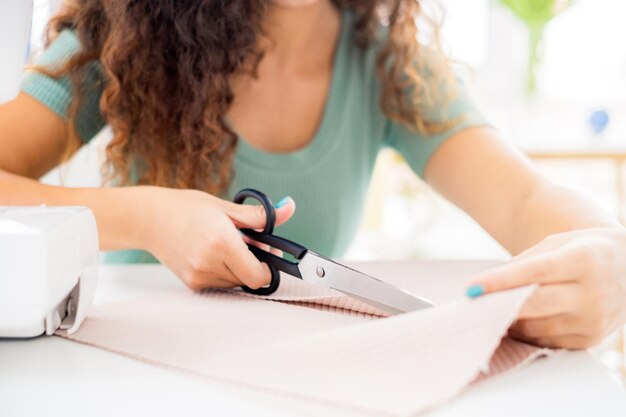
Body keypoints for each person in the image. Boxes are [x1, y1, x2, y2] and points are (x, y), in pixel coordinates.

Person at [1, 0, 625, 349]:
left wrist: (609, 255)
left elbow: (525, 199)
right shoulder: (118, 36)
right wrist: (146, 217)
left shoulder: (388, 61)